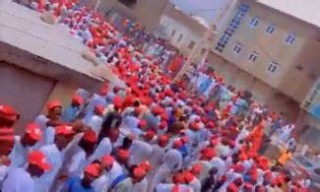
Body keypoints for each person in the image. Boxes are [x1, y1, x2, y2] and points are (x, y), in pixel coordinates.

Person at [36, 125, 75, 192]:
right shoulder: (46, 150)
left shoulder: (62, 154)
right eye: (66, 137)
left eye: (70, 137)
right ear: (58, 136)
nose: (68, 140)